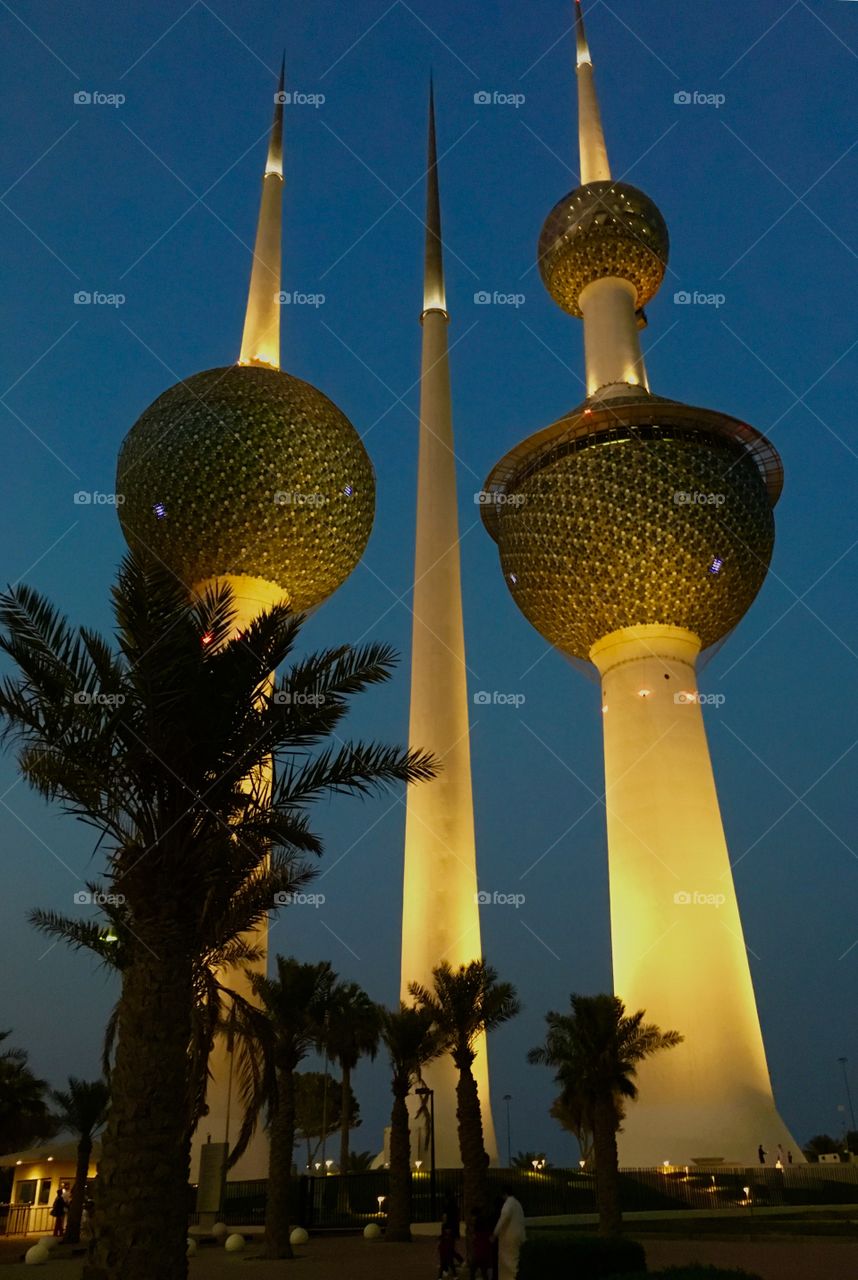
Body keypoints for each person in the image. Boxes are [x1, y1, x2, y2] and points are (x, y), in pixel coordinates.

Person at [491, 1187, 526, 1280]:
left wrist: (495, 1234)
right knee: (515, 1260)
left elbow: (503, 1220)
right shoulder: (518, 1204)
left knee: (508, 1263)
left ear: (504, 1194)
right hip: (519, 1236)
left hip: (509, 1238)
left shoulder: (508, 1204)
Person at [467, 1208, 494, 1280]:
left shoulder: (476, 1234)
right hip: (485, 1255)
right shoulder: (487, 1233)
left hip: (478, 1255)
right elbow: (491, 1241)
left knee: (472, 1271)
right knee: (484, 1272)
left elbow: (473, 1242)